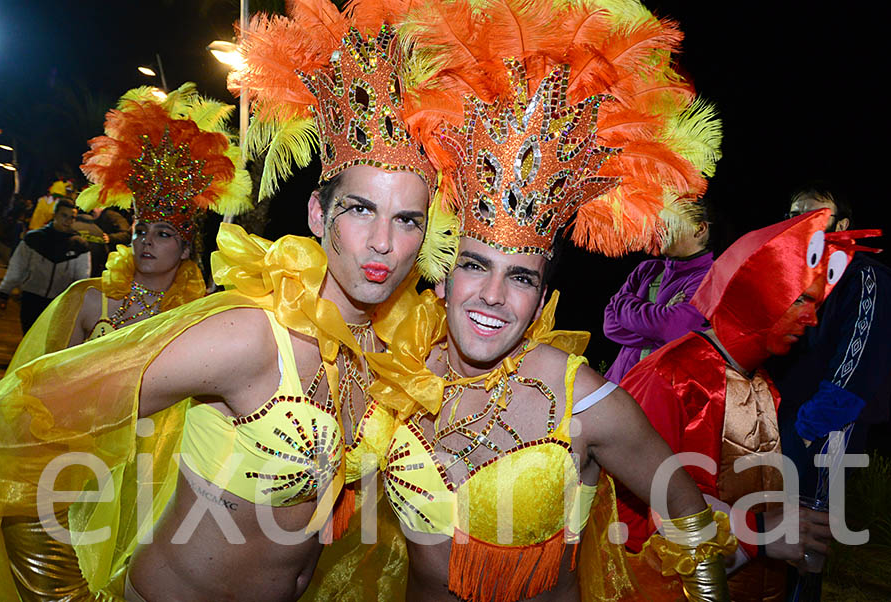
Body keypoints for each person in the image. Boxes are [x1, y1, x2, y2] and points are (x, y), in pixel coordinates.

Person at [0, 2, 451, 601]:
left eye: (407, 220)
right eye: (361, 209)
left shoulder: (383, 350)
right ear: (319, 213)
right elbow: (34, 411)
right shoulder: (250, 335)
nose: (383, 242)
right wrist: (58, 588)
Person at [370, 1, 735, 600]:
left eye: (520, 278)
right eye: (474, 266)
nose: (492, 296)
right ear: (442, 275)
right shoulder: (397, 369)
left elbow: (692, 527)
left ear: (542, 300)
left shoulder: (585, 399)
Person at [0, 84, 232, 602]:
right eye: (143, 229)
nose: (147, 241)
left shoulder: (196, 317)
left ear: (187, 245)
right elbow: (41, 382)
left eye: (164, 233)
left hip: (156, 472)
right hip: (75, 460)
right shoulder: (87, 299)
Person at [614, 210, 878, 602]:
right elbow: (630, 517)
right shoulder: (670, 376)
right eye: (801, 300)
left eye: (818, 304)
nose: (812, 318)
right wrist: (759, 533)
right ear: (759, 293)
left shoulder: (762, 383)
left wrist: (787, 529)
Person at [770, 186, 888, 600]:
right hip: (779, 419)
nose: (800, 219)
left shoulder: (864, 274)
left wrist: (807, 427)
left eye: (814, 213)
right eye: (793, 212)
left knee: (806, 536)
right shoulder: (795, 271)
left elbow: (861, 357)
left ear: (842, 224)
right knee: (770, 527)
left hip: (824, 426)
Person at [604, 199, 714, 382]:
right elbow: (609, 326)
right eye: (658, 224)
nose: (659, 230)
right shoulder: (647, 270)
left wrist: (623, 304)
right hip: (617, 389)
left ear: (700, 229)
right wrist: (657, 323)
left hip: (661, 395)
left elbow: (671, 328)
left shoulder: (710, 277)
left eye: (669, 222)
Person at [0, 198, 91, 332]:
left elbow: (81, 278)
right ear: (55, 214)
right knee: (29, 337)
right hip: (31, 299)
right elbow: (17, 268)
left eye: (72, 217)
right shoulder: (34, 238)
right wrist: (4, 292)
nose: (68, 220)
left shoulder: (79, 245)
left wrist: (77, 304)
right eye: (64, 215)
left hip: (58, 303)